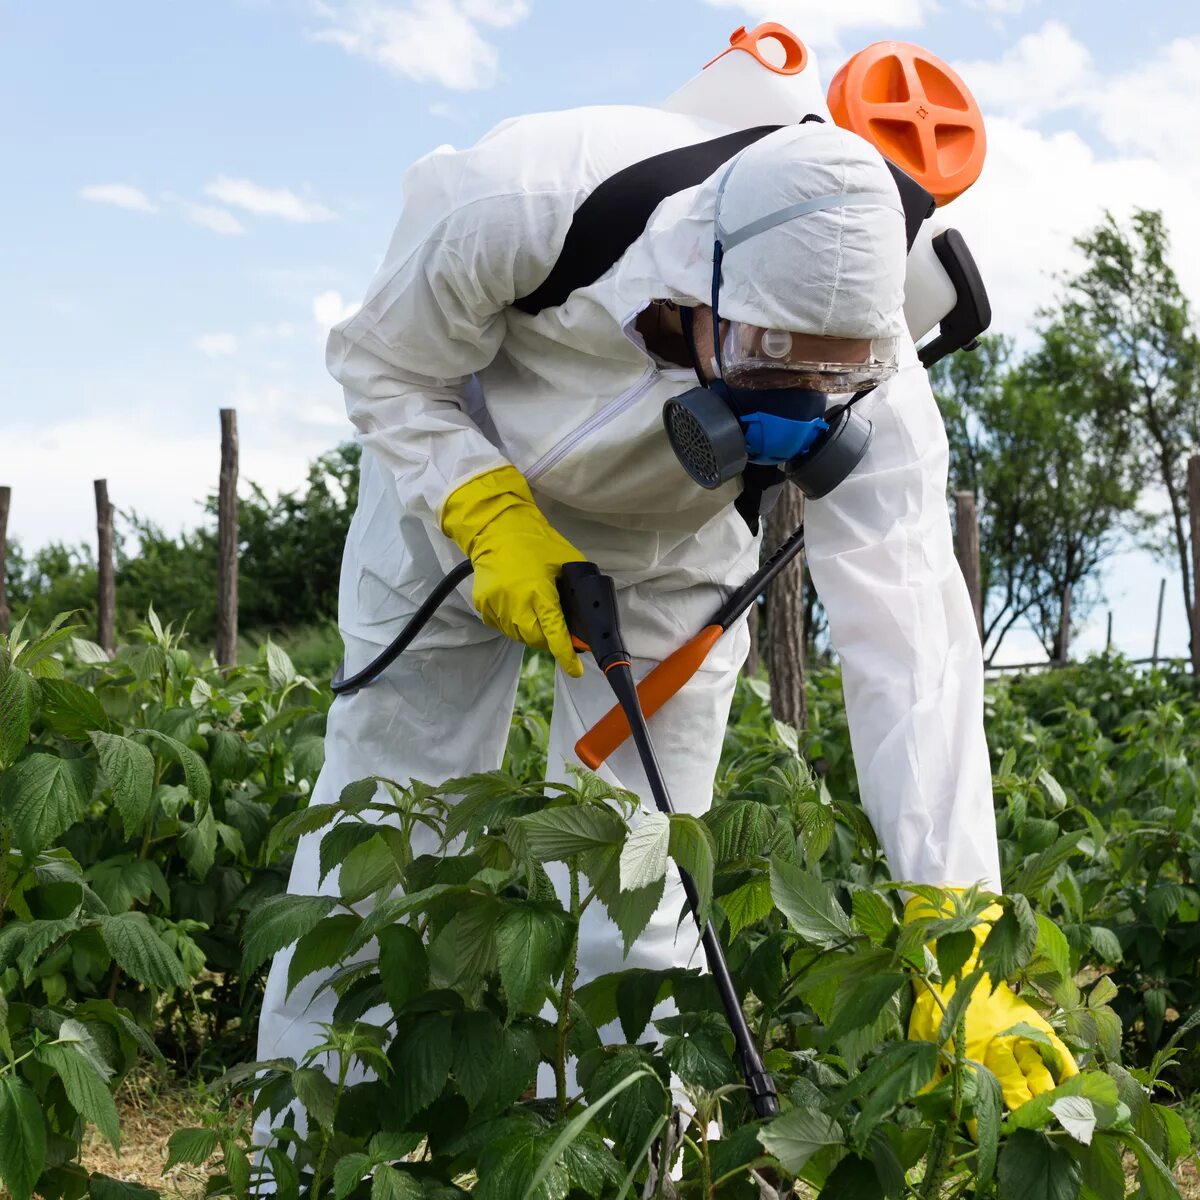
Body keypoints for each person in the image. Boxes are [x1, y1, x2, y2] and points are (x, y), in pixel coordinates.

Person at [255, 105, 1074, 1132]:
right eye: (770, 364)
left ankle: (627, 1159)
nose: (797, 407)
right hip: (450, 497)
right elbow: (384, 363)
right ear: (700, 280)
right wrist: (482, 507)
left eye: (829, 382)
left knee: (634, 873)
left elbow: (915, 648)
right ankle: (296, 1153)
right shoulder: (520, 202)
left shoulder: (884, 387)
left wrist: (955, 925)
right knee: (384, 821)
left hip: (670, 555)